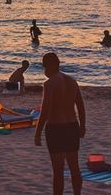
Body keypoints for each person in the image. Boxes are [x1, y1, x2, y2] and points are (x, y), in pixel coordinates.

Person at [35, 52, 85, 195]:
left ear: (46, 65)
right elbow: (80, 106)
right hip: (72, 126)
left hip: (56, 128)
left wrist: (37, 133)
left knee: (58, 170)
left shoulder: (49, 84)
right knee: (74, 167)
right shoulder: (72, 81)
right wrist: (83, 126)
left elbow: (45, 111)